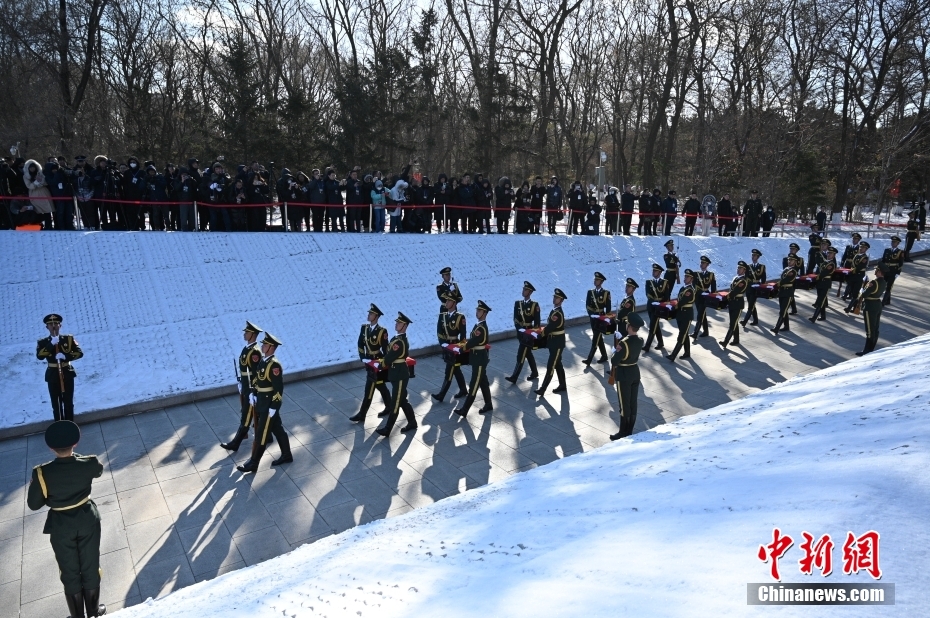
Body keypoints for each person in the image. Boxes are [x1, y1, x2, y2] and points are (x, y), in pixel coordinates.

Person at [27, 420, 106, 618]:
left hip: (61, 526)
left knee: (69, 570)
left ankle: (78, 616)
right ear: (76, 444)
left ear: (51, 448)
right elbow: (99, 470)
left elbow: (34, 504)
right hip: (87, 520)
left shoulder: (42, 473)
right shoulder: (88, 463)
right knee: (90, 564)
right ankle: (94, 612)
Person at [237, 332, 292, 472]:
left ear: (271, 347)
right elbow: (257, 380)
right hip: (262, 402)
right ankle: (287, 455)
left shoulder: (274, 366)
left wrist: (274, 406)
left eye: (265, 344)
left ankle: (254, 462)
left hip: (269, 405)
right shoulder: (264, 361)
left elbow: (278, 389)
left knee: (261, 433)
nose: (262, 346)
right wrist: (253, 393)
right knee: (277, 428)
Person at [221, 321, 264, 452]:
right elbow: (245, 371)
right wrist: (241, 383)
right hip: (246, 387)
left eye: (247, 332)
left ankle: (236, 443)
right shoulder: (247, 349)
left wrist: (253, 392)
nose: (244, 334)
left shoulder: (255, 352)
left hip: (251, 390)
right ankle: (267, 437)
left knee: (246, 416)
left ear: (253, 334)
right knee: (253, 415)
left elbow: (256, 374)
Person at [376, 312, 418, 436]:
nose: (396, 324)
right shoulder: (396, 339)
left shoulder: (399, 342)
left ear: (404, 326)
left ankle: (388, 429)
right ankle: (412, 422)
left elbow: (389, 357)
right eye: (397, 322)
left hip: (400, 375)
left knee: (395, 403)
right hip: (396, 374)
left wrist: (381, 364)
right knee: (402, 400)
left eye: (399, 323)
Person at [349, 304, 393, 423]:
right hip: (368, 363)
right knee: (380, 385)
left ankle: (362, 414)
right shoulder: (364, 328)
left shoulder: (381, 331)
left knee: (369, 387)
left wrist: (385, 363)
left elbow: (385, 349)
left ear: (376, 316)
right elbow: (360, 344)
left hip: (377, 363)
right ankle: (390, 406)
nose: (369, 315)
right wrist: (363, 357)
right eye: (369, 313)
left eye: (371, 314)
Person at [36, 314, 84, 422]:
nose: (53, 326)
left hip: (67, 373)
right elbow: (40, 356)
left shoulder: (68, 339)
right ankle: (59, 426)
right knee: (56, 405)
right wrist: (51, 344)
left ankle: (70, 425)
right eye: (51, 324)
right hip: (52, 374)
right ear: (47, 327)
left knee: (68, 403)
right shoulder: (43, 342)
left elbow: (79, 353)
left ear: (60, 325)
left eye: (56, 324)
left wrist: (65, 356)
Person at [609, 312, 645, 441]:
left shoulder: (624, 343)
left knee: (624, 405)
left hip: (624, 374)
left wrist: (614, 352)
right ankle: (629, 429)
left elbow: (614, 361)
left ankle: (623, 432)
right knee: (632, 402)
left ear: (629, 326)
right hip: (635, 372)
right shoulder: (640, 340)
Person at [454, 301, 493, 417]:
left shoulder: (481, 328)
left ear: (485, 313)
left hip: (479, 359)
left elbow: (474, 341)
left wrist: (462, 348)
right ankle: (488, 404)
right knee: (483, 382)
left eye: (479, 311)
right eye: (477, 310)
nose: (477, 312)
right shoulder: (478, 325)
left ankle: (465, 410)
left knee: (474, 384)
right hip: (477, 358)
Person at [432, 293, 468, 402]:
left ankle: (441, 395)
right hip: (446, 347)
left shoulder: (460, 317)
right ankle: (463, 390)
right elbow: (439, 332)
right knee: (455, 369)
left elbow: (463, 336)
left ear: (454, 303)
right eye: (446, 301)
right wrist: (443, 343)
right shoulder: (442, 316)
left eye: (448, 301)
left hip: (455, 347)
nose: (446, 303)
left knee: (449, 370)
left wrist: (459, 348)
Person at [506, 281, 541, 383]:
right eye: (523, 289)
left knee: (521, 354)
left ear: (530, 292)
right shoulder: (518, 304)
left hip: (529, 334)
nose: (523, 291)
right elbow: (516, 318)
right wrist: (519, 329)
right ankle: (534, 372)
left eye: (525, 290)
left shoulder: (535, 305)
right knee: (528, 353)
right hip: (521, 333)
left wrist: (533, 333)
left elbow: (537, 322)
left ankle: (514, 377)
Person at [535, 288, 568, 396]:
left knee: (551, 365)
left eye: (557, 298)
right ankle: (563, 385)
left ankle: (543, 389)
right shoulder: (554, 311)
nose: (554, 299)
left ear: (561, 300)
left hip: (557, 343)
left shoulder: (557, 314)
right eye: (554, 297)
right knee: (558, 364)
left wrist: (541, 335)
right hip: (553, 342)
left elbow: (550, 327)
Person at [855, 265, 887, 356]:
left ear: (880, 272)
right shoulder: (884, 282)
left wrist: (862, 289)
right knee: (875, 328)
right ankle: (871, 348)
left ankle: (867, 350)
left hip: (870, 306)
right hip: (877, 305)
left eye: (877, 270)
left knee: (869, 329)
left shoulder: (874, 282)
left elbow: (864, 295)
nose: (875, 271)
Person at [667, 269, 696, 362]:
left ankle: (673, 355)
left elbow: (682, 301)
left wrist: (672, 306)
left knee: (681, 335)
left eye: (687, 277)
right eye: (685, 276)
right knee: (684, 334)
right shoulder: (683, 288)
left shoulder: (690, 290)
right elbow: (679, 299)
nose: (685, 278)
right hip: (680, 314)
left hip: (686, 315)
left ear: (691, 279)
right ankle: (687, 352)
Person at [583, 271, 612, 365]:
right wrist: (591, 314)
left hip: (600, 318)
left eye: (597, 280)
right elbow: (587, 305)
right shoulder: (590, 292)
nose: (595, 281)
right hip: (593, 318)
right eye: (595, 279)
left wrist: (606, 318)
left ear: (601, 281)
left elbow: (608, 307)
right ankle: (604, 355)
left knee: (595, 338)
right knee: (598, 337)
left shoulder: (606, 293)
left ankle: (589, 359)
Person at [720, 261, 749, 349]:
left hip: (738, 304)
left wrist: (724, 297)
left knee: (732, 324)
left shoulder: (743, 281)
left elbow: (734, 291)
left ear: (744, 270)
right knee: (734, 322)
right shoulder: (736, 278)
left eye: (740, 268)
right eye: (738, 268)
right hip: (732, 303)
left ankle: (725, 341)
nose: (738, 269)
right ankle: (736, 339)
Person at [643, 264, 670, 352]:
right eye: (653, 271)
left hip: (659, 308)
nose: (653, 272)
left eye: (655, 271)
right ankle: (661, 342)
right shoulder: (649, 282)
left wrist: (661, 303)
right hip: (651, 306)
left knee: (652, 326)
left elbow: (666, 295)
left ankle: (647, 346)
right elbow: (648, 294)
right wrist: (653, 301)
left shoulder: (665, 282)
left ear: (660, 272)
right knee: (655, 324)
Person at [808, 246, 837, 323]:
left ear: (834, 255)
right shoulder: (825, 262)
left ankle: (814, 317)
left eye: (830, 253)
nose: (828, 254)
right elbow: (819, 266)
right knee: (822, 300)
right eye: (828, 253)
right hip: (820, 283)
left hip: (825, 284)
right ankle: (823, 316)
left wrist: (816, 277)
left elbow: (824, 273)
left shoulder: (832, 264)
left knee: (820, 301)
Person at [771, 255, 798, 335]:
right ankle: (786, 326)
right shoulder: (786, 269)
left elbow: (786, 280)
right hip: (782, 292)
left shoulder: (793, 271)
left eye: (791, 260)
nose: (789, 261)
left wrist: (778, 284)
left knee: (782, 311)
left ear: (795, 262)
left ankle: (777, 328)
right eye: (789, 260)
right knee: (784, 310)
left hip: (788, 292)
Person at [692, 256, 716, 340]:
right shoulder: (695, 274)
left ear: (707, 264)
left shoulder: (711, 275)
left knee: (700, 314)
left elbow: (713, 288)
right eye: (701, 263)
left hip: (706, 297)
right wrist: (700, 292)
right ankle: (706, 331)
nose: (701, 264)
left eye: (703, 263)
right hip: (698, 296)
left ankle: (695, 333)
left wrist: (713, 298)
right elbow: (694, 285)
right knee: (702, 314)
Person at [741, 249, 766, 327]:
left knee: (751, 305)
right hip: (749, 287)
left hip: (756, 288)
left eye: (754, 255)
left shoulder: (762, 267)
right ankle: (755, 320)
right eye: (752, 255)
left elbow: (763, 279)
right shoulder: (748, 267)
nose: (753, 257)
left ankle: (745, 321)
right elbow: (746, 278)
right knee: (751, 304)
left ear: (758, 257)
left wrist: (761, 287)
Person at [843, 241, 870, 313]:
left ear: (866, 249)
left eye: (863, 248)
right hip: (853, 276)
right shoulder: (857, 255)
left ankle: (849, 308)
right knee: (852, 292)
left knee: (855, 293)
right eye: (860, 247)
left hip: (859, 276)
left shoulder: (865, 258)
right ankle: (854, 308)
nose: (861, 248)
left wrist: (852, 271)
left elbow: (860, 267)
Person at [881, 236, 905, 306]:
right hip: (885, 271)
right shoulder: (887, 250)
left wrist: (898, 272)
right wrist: (881, 269)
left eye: (894, 242)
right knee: (884, 285)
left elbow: (901, 263)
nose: (893, 243)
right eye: (892, 242)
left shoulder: (900, 252)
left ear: (898, 243)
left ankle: (883, 302)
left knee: (889, 286)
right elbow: (883, 261)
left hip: (893, 271)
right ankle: (888, 300)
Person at [784, 242, 805, 314]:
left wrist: (802, 280)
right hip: (788, 280)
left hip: (795, 280)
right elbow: (785, 270)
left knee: (791, 294)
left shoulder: (800, 260)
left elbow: (802, 271)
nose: (791, 250)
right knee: (790, 294)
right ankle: (794, 309)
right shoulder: (786, 259)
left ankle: (789, 309)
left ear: (796, 251)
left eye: (793, 249)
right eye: (791, 249)